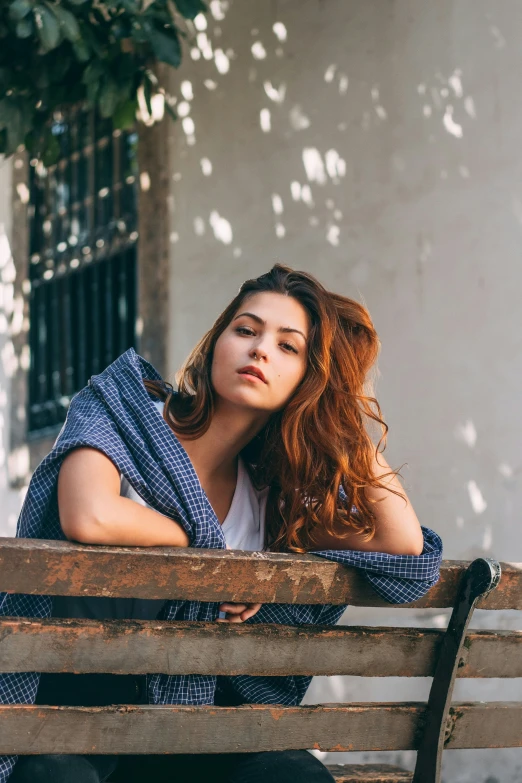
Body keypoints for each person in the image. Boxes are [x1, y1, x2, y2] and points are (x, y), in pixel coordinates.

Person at [7, 264, 441, 782]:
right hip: (65, 722)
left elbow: (400, 543)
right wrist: (205, 548)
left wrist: (342, 408)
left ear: (307, 380)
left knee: (292, 775)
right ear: (217, 343)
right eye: (246, 330)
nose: (260, 350)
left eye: (288, 347)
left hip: (187, 735)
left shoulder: (267, 495)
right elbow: (89, 515)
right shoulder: (124, 408)